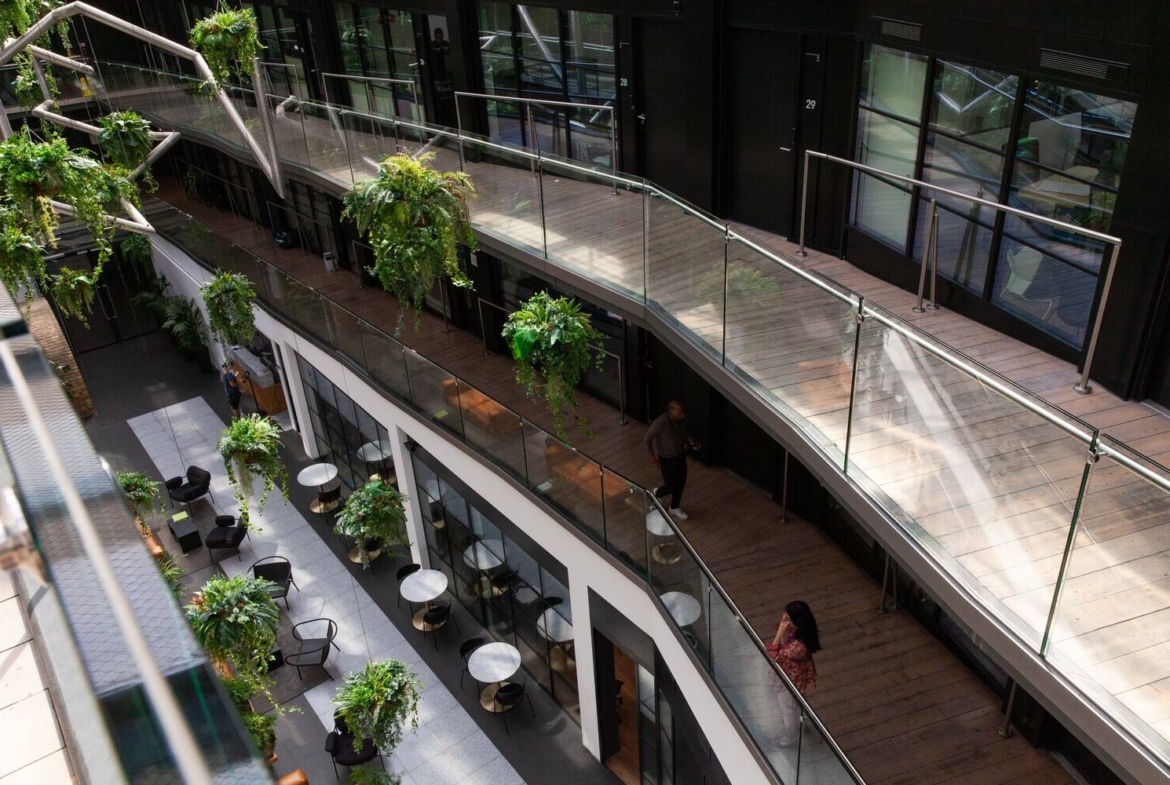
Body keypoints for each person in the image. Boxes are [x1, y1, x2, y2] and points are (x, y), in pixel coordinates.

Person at [766, 601, 821, 747]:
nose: (784, 622)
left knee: (788, 709)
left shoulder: (799, 646)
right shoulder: (795, 633)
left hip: (791, 682)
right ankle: (801, 725)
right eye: (784, 617)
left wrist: (779, 633)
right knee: (795, 705)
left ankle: (789, 739)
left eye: (788, 619)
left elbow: (773, 654)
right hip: (790, 676)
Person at [644, 401, 700, 520]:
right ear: (671, 412)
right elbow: (647, 440)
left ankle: (674, 507)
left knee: (680, 482)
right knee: (670, 486)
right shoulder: (660, 423)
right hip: (666, 459)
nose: (683, 415)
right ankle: (657, 493)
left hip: (680, 455)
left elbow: (686, 432)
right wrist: (653, 458)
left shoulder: (683, 420)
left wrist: (691, 441)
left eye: (683, 413)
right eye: (680, 413)